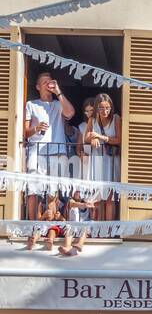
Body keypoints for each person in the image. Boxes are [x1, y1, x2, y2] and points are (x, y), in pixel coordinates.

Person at [23, 72, 76, 220]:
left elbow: (70, 113)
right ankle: (34, 223)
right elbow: (25, 132)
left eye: (50, 81)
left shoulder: (58, 104)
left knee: (54, 190)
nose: (48, 84)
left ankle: (51, 224)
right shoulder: (31, 105)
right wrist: (36, 128)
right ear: (38, 86)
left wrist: (58, 91)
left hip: (57, 152)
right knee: (34, 189)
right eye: (44, 82)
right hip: (37, 151)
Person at [85, 93, 122, 221]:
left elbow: (118, 139)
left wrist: (100, 137)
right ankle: (96, 230)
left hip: (111, 161)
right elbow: (86, 137)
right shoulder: (92, 120)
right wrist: (92, 138)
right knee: (97, 196)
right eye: (101, 108)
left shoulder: (116, 119)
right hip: (97, 161)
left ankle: (109, 231)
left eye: (107, 108)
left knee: (110, 197)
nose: (105, 111)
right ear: (96, 108)